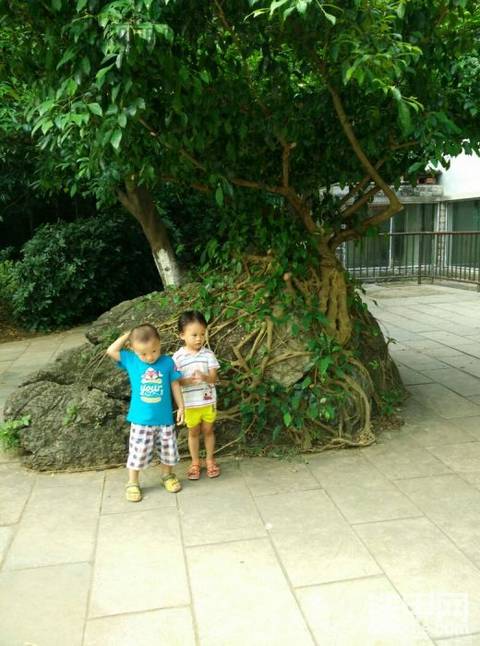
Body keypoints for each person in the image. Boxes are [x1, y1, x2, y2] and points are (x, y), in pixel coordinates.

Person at [106, 323, 184, 502]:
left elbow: (175, 384)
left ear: (160, 344)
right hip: (141, 420)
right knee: (138, 452)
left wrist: (181, 406)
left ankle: (167, 475)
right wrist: (127, 334)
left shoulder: (167, 362)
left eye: (154, 351)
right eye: (144, 353)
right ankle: (132, 482)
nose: (150, 357)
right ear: (132, 349)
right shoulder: (131, 360)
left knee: (168, 450)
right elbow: (111, 350)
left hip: (164, 419)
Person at [173, 311, 220, 480]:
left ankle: (210, 460)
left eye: (202, 334)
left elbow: (214, 378)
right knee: (193, 433)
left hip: (208, 402)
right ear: (182, 335)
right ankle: (195, 462)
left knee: (208, 431)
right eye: (194, 335)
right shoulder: (177, 358)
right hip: (190, 404)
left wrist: (206, 377)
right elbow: (175, 382)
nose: (199, 338)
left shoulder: (208, 354)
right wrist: (187, 381)